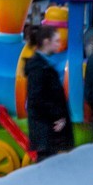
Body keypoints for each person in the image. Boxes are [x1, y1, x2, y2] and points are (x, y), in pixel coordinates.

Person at [22, 24, 74, 158]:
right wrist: (58, 116)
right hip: (46, 130)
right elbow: (38, 99)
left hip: (48, 129)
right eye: (56, 41)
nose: (59, 44)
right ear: (46, 42)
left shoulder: (44, 65)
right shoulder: (39, 68)